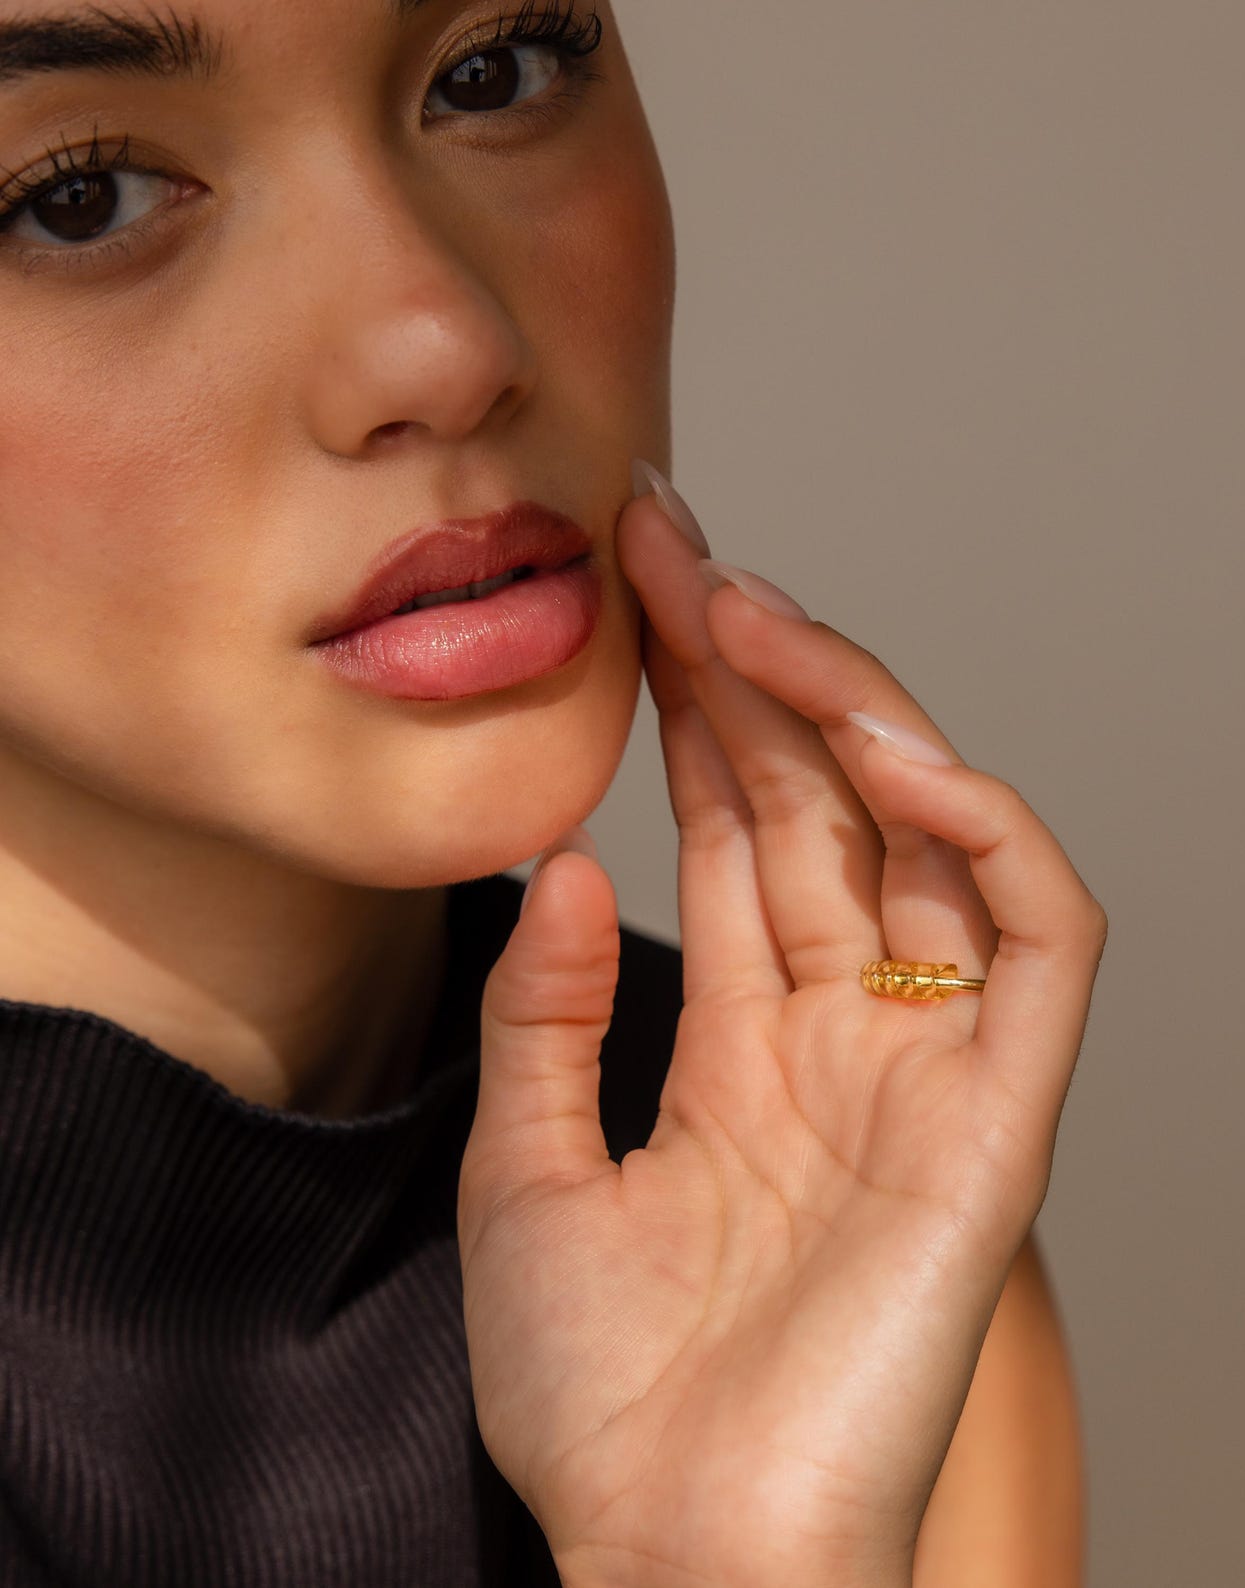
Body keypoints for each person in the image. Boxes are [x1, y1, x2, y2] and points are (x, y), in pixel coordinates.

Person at [0, 2, 1106, 1583]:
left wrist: (727, 1557)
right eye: (78, 196)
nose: (446, 343)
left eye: (490, 70)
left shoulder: (832, 1221)